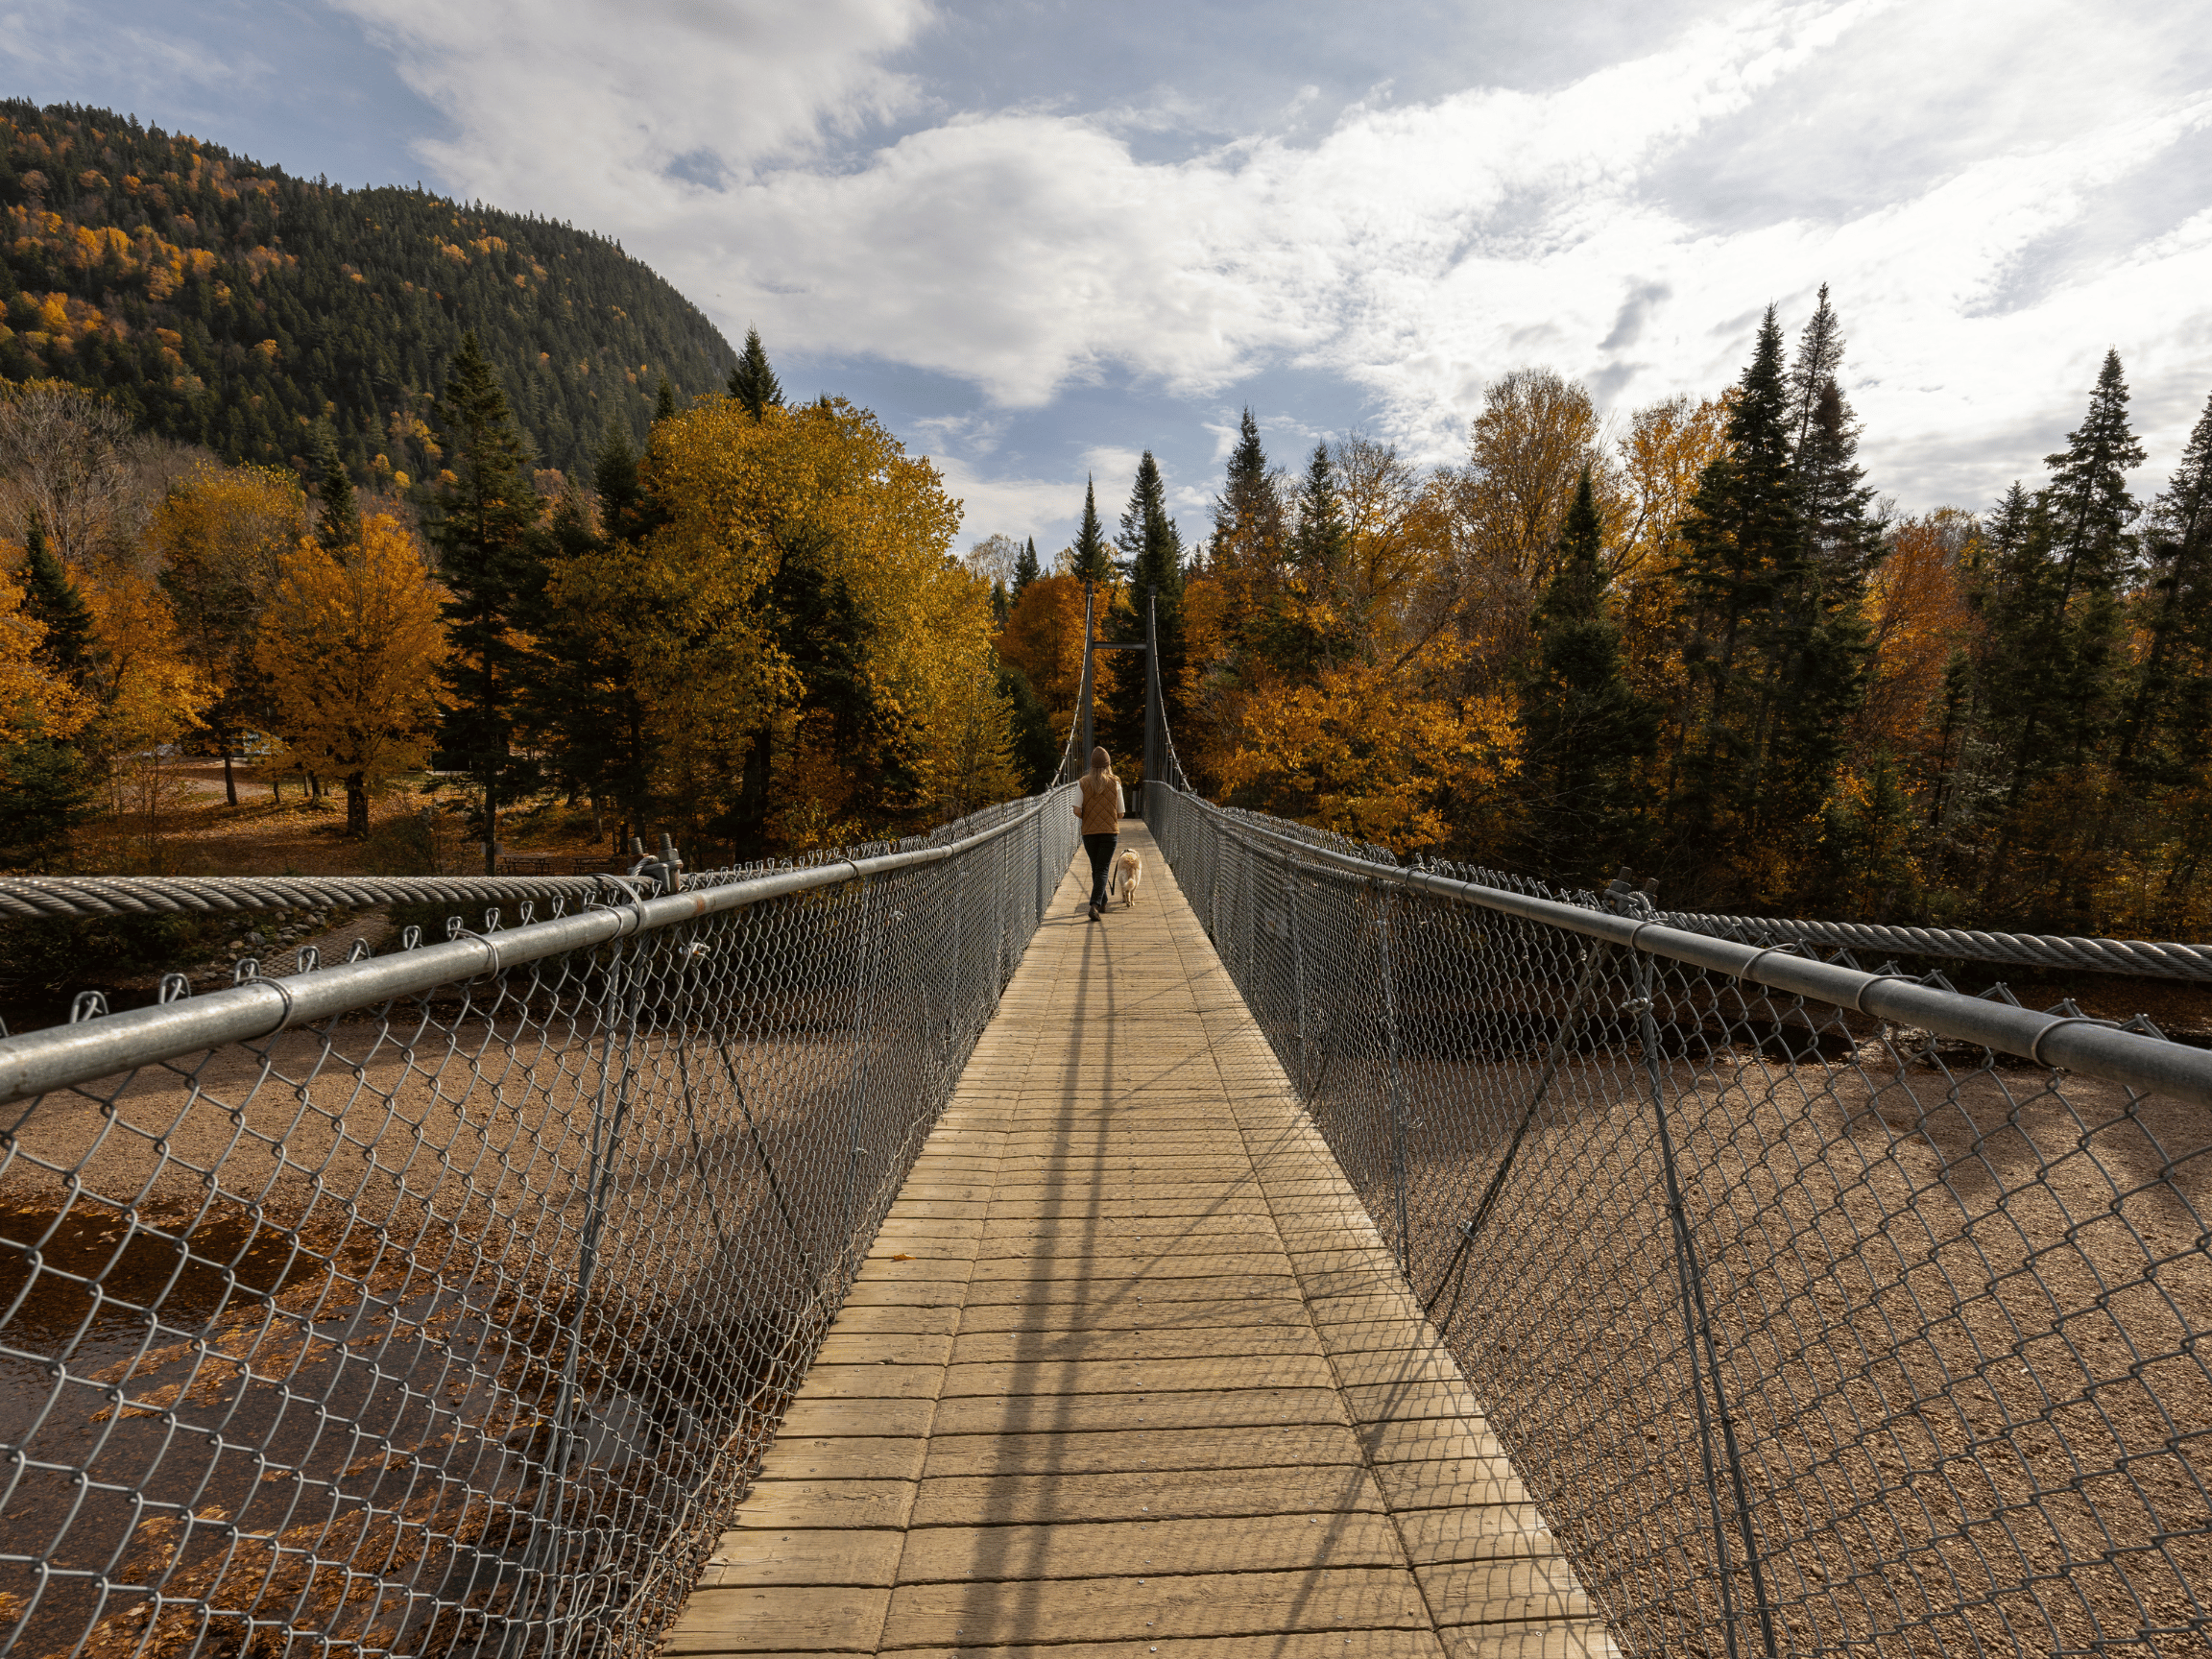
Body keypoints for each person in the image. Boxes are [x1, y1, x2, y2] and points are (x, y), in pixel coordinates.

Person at [1075, 746, 1120, 922]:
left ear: (1092, 765)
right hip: (1109, 832)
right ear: (1108, 765)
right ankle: (1095, 905)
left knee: (1097, 868)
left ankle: (1102, 903)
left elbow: (1077, 810)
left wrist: (1089, 816)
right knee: (1101, 869)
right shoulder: (1115, 782)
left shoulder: (1083, 783)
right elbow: (1121, 813)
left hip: (1089, 833)